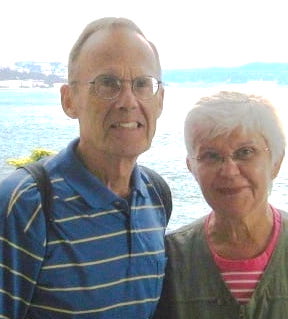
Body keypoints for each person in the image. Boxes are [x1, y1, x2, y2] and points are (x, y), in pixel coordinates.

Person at [0, 17, 170, 318]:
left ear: (159, 100)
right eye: (108, 84)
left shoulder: (156, 196)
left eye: (143, 84)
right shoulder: (26, 205)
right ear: (69, 101)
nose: (128, 101)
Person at [154, 91, 288, 318]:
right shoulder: (166, 261)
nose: (229, 171)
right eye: (211, 155)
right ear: (191, 167)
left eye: (245, 152)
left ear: (276, 162)